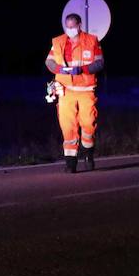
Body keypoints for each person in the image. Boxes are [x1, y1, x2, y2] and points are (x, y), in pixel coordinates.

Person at [46, 13, 104, 172]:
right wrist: (59, 69)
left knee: (88, 124)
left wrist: (82, 70)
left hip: (86, 90)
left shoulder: (92, 41)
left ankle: (88, 155)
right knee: (68, 127)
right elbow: (49, 62)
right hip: (65, 91)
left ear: (79, 25)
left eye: (72, 26)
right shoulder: (58, 42)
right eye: (67, 26)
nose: (70, 29)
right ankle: (70, 164)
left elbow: (100, 63)